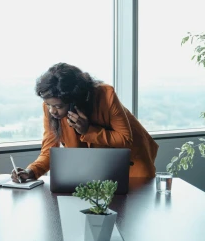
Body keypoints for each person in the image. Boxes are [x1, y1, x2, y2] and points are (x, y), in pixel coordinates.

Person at [12, 63, 158, 183]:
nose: (52, 111)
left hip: (133, 164)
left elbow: (125, 138)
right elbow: (49, 150)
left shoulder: (106, 95)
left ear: (74, 100)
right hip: (98, 168)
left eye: (58, 106)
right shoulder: (50, 107)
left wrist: (88, 131)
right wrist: (31, 171)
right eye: (48, 104)